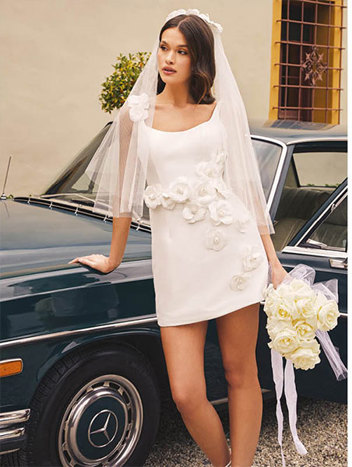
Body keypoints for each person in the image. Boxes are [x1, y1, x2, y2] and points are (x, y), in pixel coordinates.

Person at [69, 9, 286, 467]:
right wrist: (112, 257)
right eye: (165, 47)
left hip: (233, 251)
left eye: (182, 51)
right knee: (186, 392)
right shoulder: (137, 115)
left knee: (239, 371)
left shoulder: (220, 110)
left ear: (199, 59)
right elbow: (125, 194)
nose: (169, 58)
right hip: (177, 264)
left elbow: (248, 188)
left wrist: (273, 260)